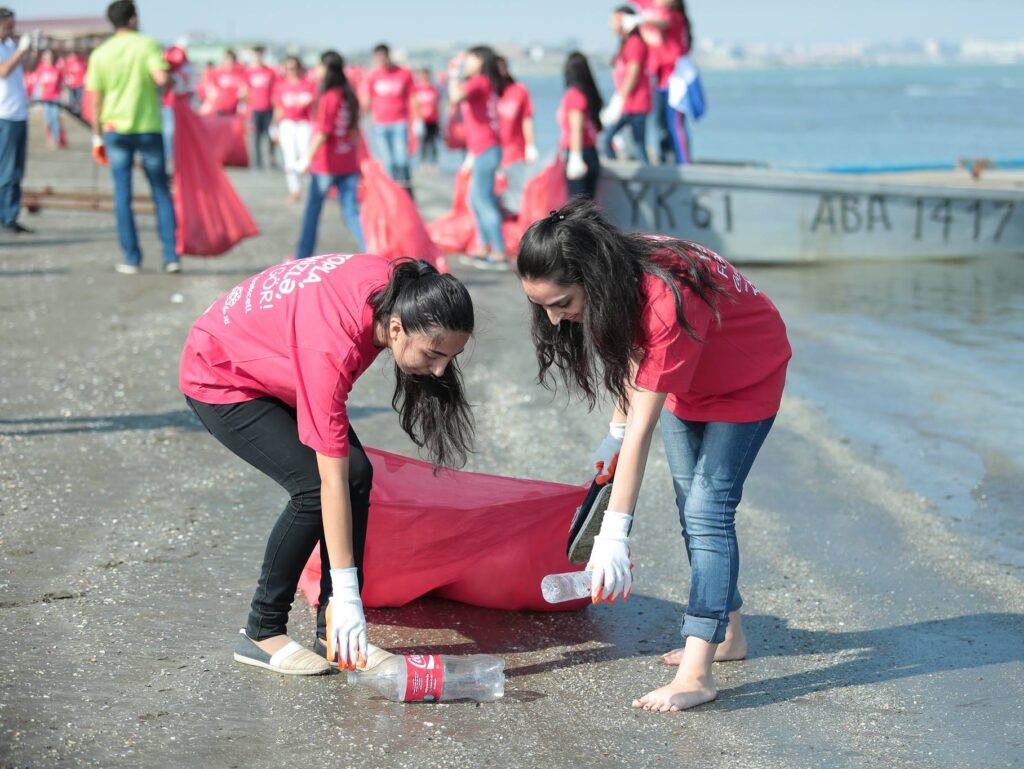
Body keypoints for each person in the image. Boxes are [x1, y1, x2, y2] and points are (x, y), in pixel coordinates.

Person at [516, 198, 791, 712]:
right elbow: (635, 355)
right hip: (691, 380)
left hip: (747, 379)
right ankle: (729, 636)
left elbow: (646, 424)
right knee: (694, 509)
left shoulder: (665, 295)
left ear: (589, 278)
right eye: (544, 307)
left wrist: (613, 535)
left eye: (561, 302)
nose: (555, 320)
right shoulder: (616, 271)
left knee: (709, 513)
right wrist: (614, 431)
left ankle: (697, 672)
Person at [180, 254, 475, 674]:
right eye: (433, 354)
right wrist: (352, 596)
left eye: (450, 356)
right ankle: (261, 632)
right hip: (221, 374)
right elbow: (329, 483)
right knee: (313, 488)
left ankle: (334, 632)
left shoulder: (400, 288)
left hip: (276, 357)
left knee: (358, 473)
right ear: (396, 327)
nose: (441, 368)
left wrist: (345, 605)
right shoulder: (331, 349)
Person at [85, 0, 179, 274]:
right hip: (147, 126)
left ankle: (131, 257)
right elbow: (161, 79)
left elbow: (96, 100)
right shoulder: (146, 44)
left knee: (122, 194)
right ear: (133, 19)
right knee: (160, 191)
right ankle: (171, 255)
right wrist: (171, 79)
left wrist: (96, 136)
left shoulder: (100, 53)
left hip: (114, 130)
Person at [295, 50, 365, 257]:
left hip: (326, 165)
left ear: (327, 69)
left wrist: (305, 160)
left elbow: (323, 133)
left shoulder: (328, 97)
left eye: (319, 66)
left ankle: (301, 257)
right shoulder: (348, 95)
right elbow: (354, 133)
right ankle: (372, 250)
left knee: (312, 214)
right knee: (351, 213)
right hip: (348, 163)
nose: (316, 70)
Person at [448, 45, 507, 271]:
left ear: (480, 60)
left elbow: (455, 96)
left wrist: (454, 72)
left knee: (483, 200)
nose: (467, 62)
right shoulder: (485, 82)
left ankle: (499, 252)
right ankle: (484, 248)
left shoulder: (478, 81)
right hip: (483, 149)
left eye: (471, 58)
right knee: (476, 200)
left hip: (486, 149)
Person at [635, 0, 692, 164]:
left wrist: (641, 20)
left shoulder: (675, 16)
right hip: (660, 79)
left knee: (675, 123)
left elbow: (662, 23)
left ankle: (684, 162)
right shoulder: (658, 15)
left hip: (675, 80)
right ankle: (665, 157)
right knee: (660, 122)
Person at [602, 6, 652, 163]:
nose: (610, 24)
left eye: (614, 20)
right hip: (628, 104)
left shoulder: (635, 42)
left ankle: (644, 179)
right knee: (635, 144)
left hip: (635, 104)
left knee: (614, 140)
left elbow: (633, 74)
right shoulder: (626, 43)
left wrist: (618, 101)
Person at [362, 44, 413, 191]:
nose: (380, 60)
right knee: (388, 161)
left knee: (401, 159)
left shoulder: (403, 73)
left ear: (388, 55)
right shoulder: (373, 75)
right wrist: (359, 118)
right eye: (377, 57)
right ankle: (392, 191)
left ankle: (405, 187)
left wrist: (417, 120)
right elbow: (368, 99)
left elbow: (412, 96)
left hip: (399, 122)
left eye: (382, 56)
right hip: (380, 124)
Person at [0, 6, 31, 235]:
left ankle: (11, 214)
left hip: (19, 113)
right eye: (8, 25)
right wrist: (21, 51)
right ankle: (6, 216)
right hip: (4, 115)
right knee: (7, 171)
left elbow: (26, 67)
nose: (12, 29)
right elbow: (4, 71)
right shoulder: (11, 48)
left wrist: (31, 51)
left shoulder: (10, 45)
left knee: (17, 171)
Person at [495, 56, 537, 216]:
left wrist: (530, 145)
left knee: (516, 202)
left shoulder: (519, 90)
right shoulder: (489, 92)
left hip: (515, 155)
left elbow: (527, 119)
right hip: (493, 155)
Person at [272, 55, 315, 203]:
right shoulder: (281, 86)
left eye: (294, 68)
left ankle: (308, 187)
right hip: (287, 124)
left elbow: (315, 107)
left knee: (305, 155)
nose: (292, 71)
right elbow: (278, 108)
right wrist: (274, 127)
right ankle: (294, 190)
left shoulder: (309, 85)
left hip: (304, 124)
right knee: (289, 156)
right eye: (289, 68)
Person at [559, 51, 602, 199]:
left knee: (577, 210)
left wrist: (575, 158)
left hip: (579, 153)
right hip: (591, 153)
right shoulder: (587, 95)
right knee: (587, 208)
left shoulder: (573, 95)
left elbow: (576, 129)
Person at [246, 45, 277, 170]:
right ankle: (257, 162)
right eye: (256, 54)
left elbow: (275, 90)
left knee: (270, 136)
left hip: (268, 108)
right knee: (256, 137)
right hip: (255, 109)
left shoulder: (270, 72)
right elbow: (246, 90)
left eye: (260, 54)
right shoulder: (249, 72)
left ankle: (270, 160)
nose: (258, 57)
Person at [33, 49, 65, 149]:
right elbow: (38, 84)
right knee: (47, 120)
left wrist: (61, 96)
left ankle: (57, 140)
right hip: (45, 99)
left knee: (55, 119)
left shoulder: (57, 69)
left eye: (49, 56)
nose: (47, 58)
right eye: (45, 56)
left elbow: (61, 84)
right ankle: (50, 138)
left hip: (55, 99)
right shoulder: (41, 69)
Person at [412, 67, 440, 171]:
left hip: (433, 120)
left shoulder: (434, 89)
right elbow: (414, 104)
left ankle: (433, 162)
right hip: (422, 120)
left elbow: (437, 104)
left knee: (433, 142)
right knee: (423, 142)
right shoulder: (417, 89)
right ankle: (423, 162)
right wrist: (416, 119)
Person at [205, 49, 246, 116]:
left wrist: (242, 104)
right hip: (220, 107)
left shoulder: (240, 72)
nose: (229, 61)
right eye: (227, 58)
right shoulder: (218, 72)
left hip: (235, 108)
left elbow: (244, 89)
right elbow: (212, 91)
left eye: (231, 59)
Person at [59, 50, 86, 114]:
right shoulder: (68, 60)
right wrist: (67, 78)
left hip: (80, 83)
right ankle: (74, 112)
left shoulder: (81, 59)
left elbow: (85, 69)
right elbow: (65, 70)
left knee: (79, 99)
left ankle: (79, 112)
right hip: (72, 84)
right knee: (72, 100)